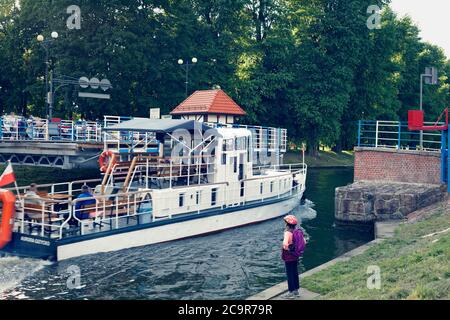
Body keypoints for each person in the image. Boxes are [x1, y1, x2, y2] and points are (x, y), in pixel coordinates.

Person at [281, 215, 306, 297]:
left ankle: (290, 292)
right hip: (296, 256)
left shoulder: (287, 233)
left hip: (288, 256)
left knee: (289, 273)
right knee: (295, 272)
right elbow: (304, 242)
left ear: (287, 224)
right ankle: (296, 290)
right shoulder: (298, 231)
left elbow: (285, 244)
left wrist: (288, 249)